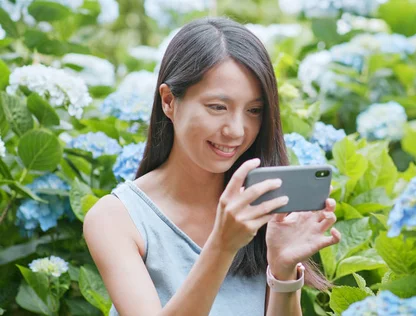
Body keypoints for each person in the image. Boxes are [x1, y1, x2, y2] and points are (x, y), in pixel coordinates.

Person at [83, 17, 342, 316]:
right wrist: (222, 245)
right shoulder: (115, 219)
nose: (236, 130)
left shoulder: (259, 207)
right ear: (169, 101)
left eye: (254, 111)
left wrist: (283, 272)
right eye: (218, 107)